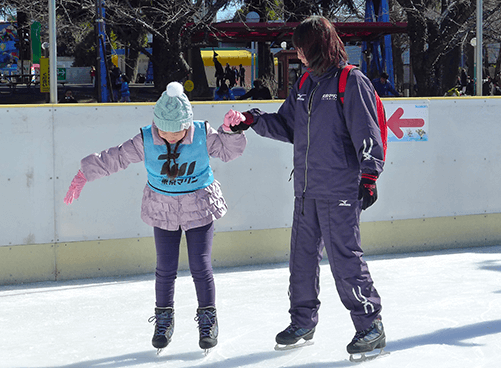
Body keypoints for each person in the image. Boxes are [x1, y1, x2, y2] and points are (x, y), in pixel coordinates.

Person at [223, 16, 386, 362]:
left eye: (300, 46)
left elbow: (368, 133)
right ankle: (302, 322)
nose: (296, 52)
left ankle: (370, 325)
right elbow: (287, 125)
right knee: (301, 260)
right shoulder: (305, 84)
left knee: (345, 260)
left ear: (316, 46)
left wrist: (369, 177)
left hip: (340, 189)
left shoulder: (350, 81)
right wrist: (252, 121)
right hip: (307, 190)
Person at [63, 81, 247, 354]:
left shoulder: (201, 133)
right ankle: (163, 320)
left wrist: (232, 131)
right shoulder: (146, 138)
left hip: (199, 205)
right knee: (165, 268)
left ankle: (208, 320)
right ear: (155, 124)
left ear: (188, 123)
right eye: (165, 131)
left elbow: (229, 151)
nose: (170, 137)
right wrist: (84, 174)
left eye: (177, 131)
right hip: (162, 208)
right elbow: (115, 157)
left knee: (200, 265)